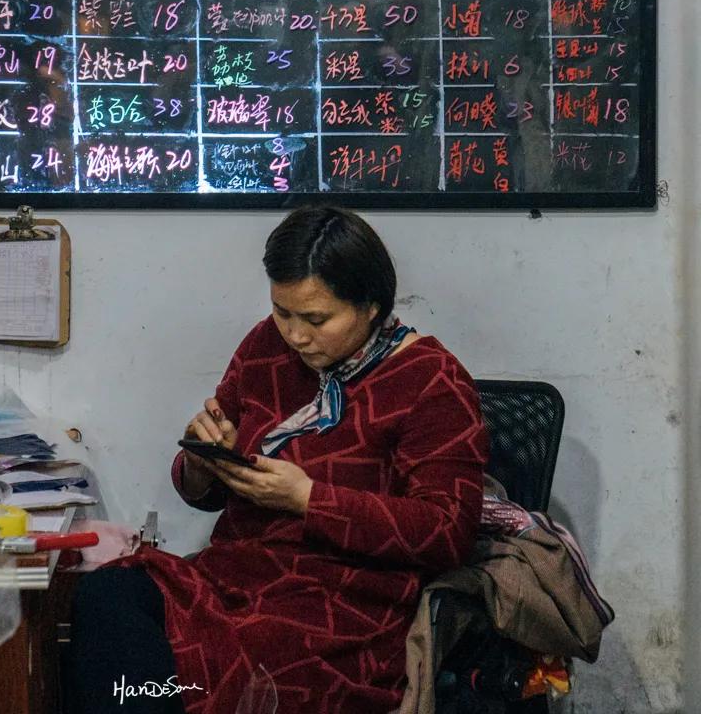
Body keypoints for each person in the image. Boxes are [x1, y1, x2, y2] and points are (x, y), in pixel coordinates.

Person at [67, 206, 489, 714]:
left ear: (371, 306)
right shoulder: (266, 347)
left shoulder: (432, 381)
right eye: (282, 312)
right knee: (108, 594)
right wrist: (203, 460)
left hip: (341, 605)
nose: (295, 335)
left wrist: (308, 499)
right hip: (234, 577)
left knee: (216, 668)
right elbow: (201, 491)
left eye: (316, 319)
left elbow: (447, 530)